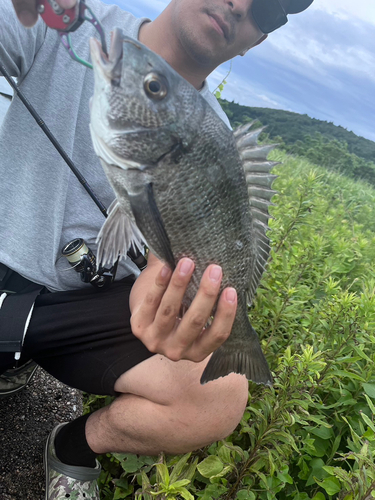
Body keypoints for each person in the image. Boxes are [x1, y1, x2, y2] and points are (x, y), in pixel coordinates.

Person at [0, 0, 314, 498]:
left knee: (221, 396)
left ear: (259, 38)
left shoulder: (217, 141)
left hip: (74, 311)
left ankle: (74, 447)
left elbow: (162, 255)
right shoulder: (67, 22)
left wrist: (162, 288)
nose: (240, 4)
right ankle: (10, 357)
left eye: (268, 8)